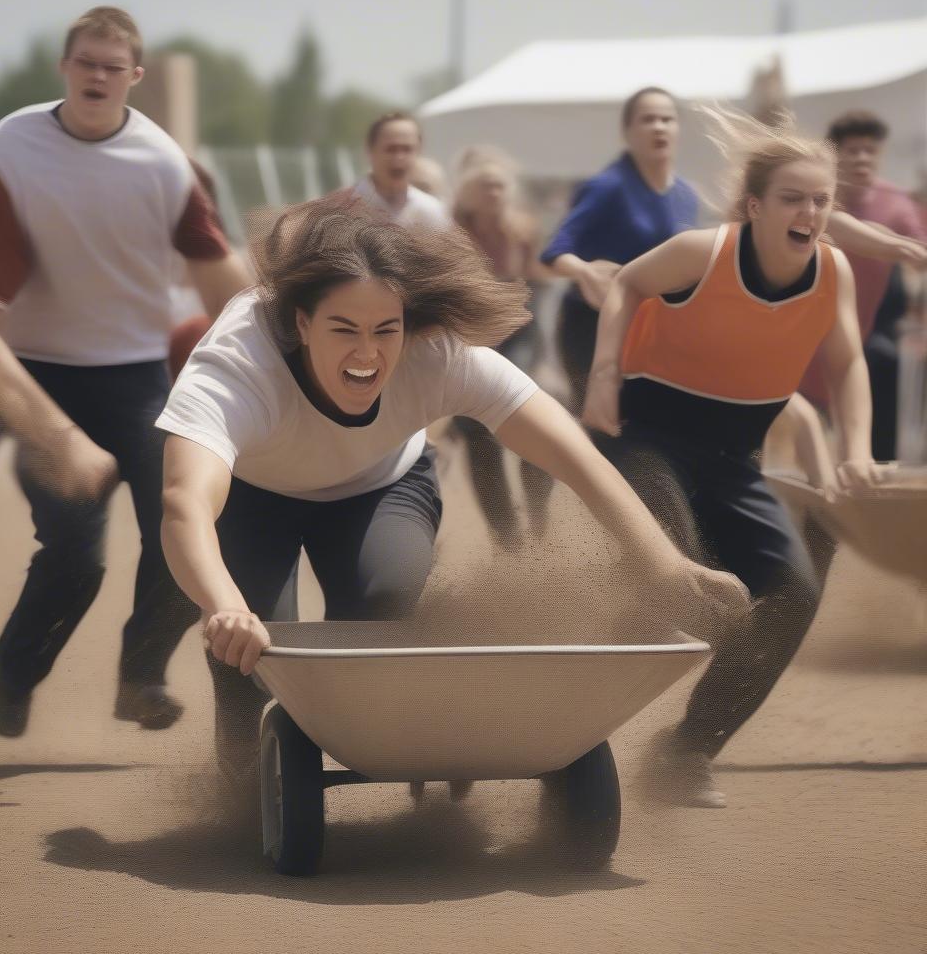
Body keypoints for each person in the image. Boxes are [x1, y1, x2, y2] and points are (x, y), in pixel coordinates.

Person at [156, 196, 749, 819]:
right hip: (254, 495)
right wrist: (224, 608)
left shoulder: (436, 354)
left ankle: (411, 749)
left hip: (379, 486)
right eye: (343, 330)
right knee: (255, 649)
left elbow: (573, 456)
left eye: (385, 330)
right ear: (301, 324)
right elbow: (183, 504)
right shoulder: (237, 364)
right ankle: (235, 793)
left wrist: (661, 562)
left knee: (382, 614)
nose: (367, 355)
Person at [0, 7, 249, 737]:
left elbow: (229, 293)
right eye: (85, 62)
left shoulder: (165, 166)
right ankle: (17, 673)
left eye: (112, 66)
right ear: (65, 67)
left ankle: (142, 674)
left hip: (131, 375)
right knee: (74, 545)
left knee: (188, 525)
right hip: (30, 369)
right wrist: (59, 438)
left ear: (135, 77)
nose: (97, 75)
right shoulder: (13, 151)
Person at [583, 106, 878, 808]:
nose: (810, 212)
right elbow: (625, 283)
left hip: (733, 458)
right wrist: (602, 376)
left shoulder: (830, 271)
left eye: (821, 201)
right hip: (646, 437)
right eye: (793, 199)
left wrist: (857, 450)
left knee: (793, 598)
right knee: (682, 581)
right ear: (755, 206)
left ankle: (686, 752)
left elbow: (849, 364)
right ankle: (602, 644)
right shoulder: (703, 252)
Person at [541, 88, 699, 412]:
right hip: (593, 326)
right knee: (603, 431)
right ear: (627, 132)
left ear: (678, 129)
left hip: (655, 331)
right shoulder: (607, 187)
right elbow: (555, 253)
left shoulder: (686, 195)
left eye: (667, 119)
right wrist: (584, 271)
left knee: (649, 430)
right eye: (648, 119)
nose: (659, 127)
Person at [799, 110, 927, 460]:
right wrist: (892, 244)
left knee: (877, 389)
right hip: (803, 331)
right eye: (852, 150)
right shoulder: (813, 195)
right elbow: (834, 226)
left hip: (862, 334)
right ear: (835, 155)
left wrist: (906, 247)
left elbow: (919, 250)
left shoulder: (896, 203)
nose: (862, 158)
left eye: (870, 150)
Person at [451, 153, 552, 545]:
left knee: (530, 412)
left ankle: (538, 507)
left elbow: (537, 280)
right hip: (470, 335)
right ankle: (504, 533)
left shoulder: (522, 229)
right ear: (468, 194)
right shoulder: (454, 234)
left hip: (518, 330)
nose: (493, 192)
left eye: (499, 185)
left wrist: (574, 268)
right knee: (476, 431)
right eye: (485, 185)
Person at [348, 113, 452, 231]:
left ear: (419, 152)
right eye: (391, 149)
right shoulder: (344, 210)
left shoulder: (432, 211)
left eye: (407, 149)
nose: (399, 157)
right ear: (370, 151)